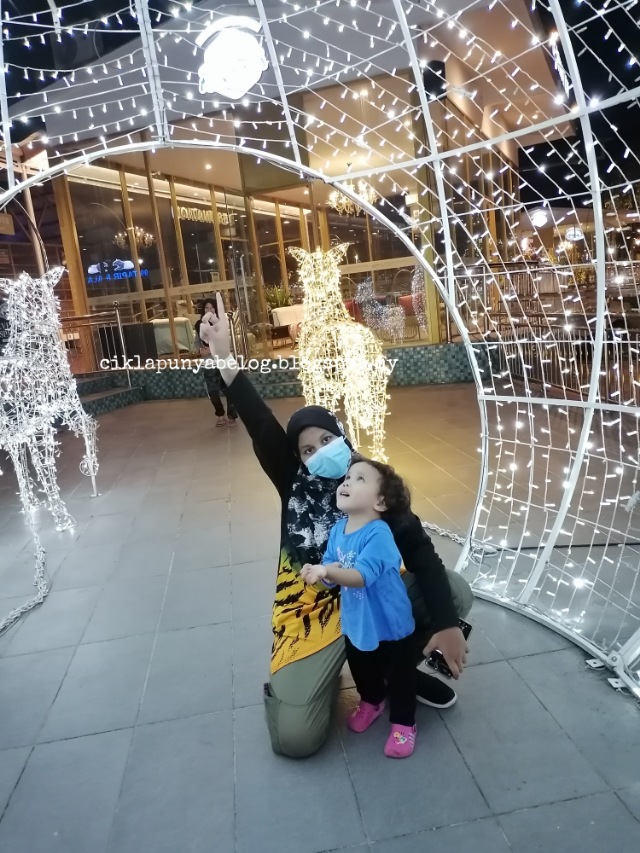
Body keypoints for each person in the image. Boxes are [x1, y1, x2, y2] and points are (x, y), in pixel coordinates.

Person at [200, 295, 473, 758]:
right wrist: (226, 362)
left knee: (451, 590)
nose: (319, 452)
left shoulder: (372, 482)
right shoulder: (295, 483)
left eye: (327, 440)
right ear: (297, 459)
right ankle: (332, 674)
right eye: (307, 449)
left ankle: (395, 667)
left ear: (343, 438)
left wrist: (446, 625)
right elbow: (262, 425)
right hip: (311, 610)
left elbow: (422, 555)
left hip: (369, 594)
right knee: (295, 739)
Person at [301, 455, 418, 758]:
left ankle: (404, 724)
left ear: (380, 502)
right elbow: (332, 567)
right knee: (362, 667)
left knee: (400, 676)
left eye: (360, 479)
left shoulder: (378, 534)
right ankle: (371, 701)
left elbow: (361, 576)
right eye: (348, 477)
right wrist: (320, 575)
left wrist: (328, 572)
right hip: (357, 621)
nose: (348, 482)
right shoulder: (339, 530)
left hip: (391, 625)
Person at [195, 299, 238, 427]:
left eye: (212, 308)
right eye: (207, 308)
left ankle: (232, 416)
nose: (209, 310)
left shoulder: (221, 324)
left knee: (229, 390)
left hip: (224, 362)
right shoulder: (199, 325)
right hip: (209, 364)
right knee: (212, 392)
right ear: (203, 310)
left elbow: (226, 341)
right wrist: (203, 351)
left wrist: (212, 349)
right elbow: (197, 345)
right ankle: (220, 414)